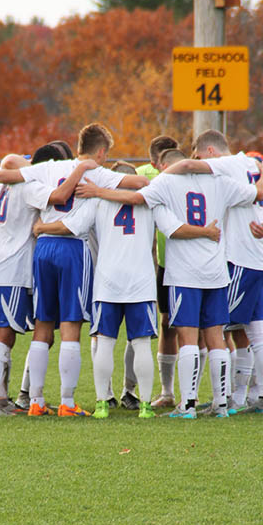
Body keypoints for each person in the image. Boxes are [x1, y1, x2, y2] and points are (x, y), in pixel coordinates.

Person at [76, 147, 263, 418]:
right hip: (216, 271)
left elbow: (137, 201)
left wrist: (98, 192)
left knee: (187, 338)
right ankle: (221, 404)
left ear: (166, 166)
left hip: (183, 274)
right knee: (216, 338)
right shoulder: (222, 181)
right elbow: (259, 195)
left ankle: (187, 405)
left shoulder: (165, 183)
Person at [32, 160, 221, 419]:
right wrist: (206, 232)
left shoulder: (97, 200)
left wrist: (42, 227)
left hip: (107, 282)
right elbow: (174, 229)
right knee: (141, 344)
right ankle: (144, 405)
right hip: (140, 282)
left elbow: (70, 227)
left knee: (106, 343)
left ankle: (101, 404)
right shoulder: (150, 201)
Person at [0, 123, 149, 417]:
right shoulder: (96, 171)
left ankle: (36, 401)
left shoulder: (48, 167)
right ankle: (67, 402)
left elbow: (3, 174)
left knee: (42, 325)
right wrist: (98, 187)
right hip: (72, 249)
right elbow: (140, 185)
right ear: (101, 152)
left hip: (43, 249)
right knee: (70, 327)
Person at [165, 130, 263, 415]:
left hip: (240, 259)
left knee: (217, 329)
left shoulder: (226, 166)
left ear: (210, 151)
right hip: (262, 260)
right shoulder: (251, 167)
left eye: (198, 153)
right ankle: (260, 399)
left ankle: (227, 399)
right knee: (254, 330)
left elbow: (186, 166)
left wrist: (163, 176)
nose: (197, 160)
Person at [0, 146, 96, 417]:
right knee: (5, 334)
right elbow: (61, 195)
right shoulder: (29, 187)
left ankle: (3, 398)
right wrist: (81, 169)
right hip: (10, 268)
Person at [121, 136, 180, 410]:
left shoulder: (186, 170)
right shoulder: (143, 174)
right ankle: (142, 391)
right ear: (155, 162)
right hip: (161, 262)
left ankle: (179, 393)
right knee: (160, 325)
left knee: (192, 328)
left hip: (177, 261)